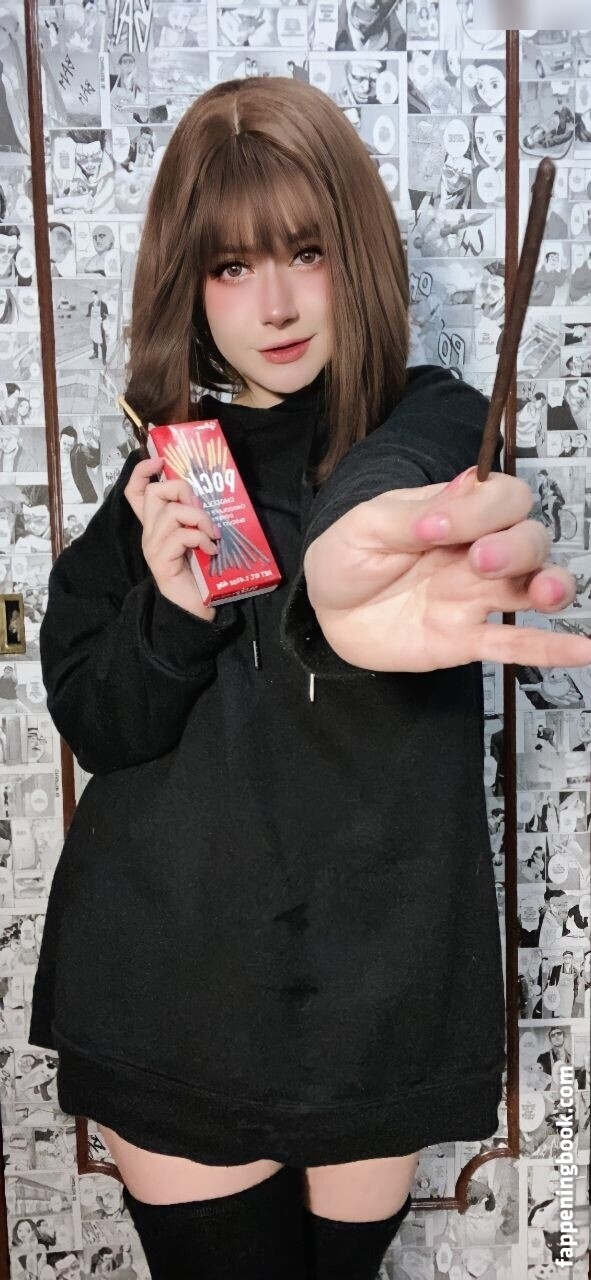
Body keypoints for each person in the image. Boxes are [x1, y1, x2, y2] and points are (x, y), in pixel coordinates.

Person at [28, 76, 589, 1280]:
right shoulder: (164, 479)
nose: (275, 303)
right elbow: (96, 719)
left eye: (306, 252)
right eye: (231, 267)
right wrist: (174, 607)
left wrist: (338, 564)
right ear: (189, 285)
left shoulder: (434, 430)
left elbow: (389, 483)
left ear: (358, 254)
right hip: (172, 979)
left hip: (369, 989)